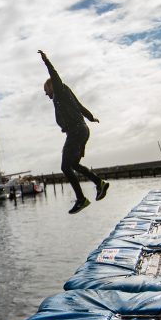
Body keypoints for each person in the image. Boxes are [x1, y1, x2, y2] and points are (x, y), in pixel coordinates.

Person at [38, 50, 109, 214]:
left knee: (65, 167)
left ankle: (81, 199)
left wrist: (46, 61)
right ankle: (99, 183)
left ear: (51, 86)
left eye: (46, 90)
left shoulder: (60, 91)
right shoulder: (66, 96)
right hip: (81, 131)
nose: (46, 94)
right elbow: (80, 106)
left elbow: (54, 75)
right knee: (74, 164)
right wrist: (91, 118)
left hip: (76, 131)